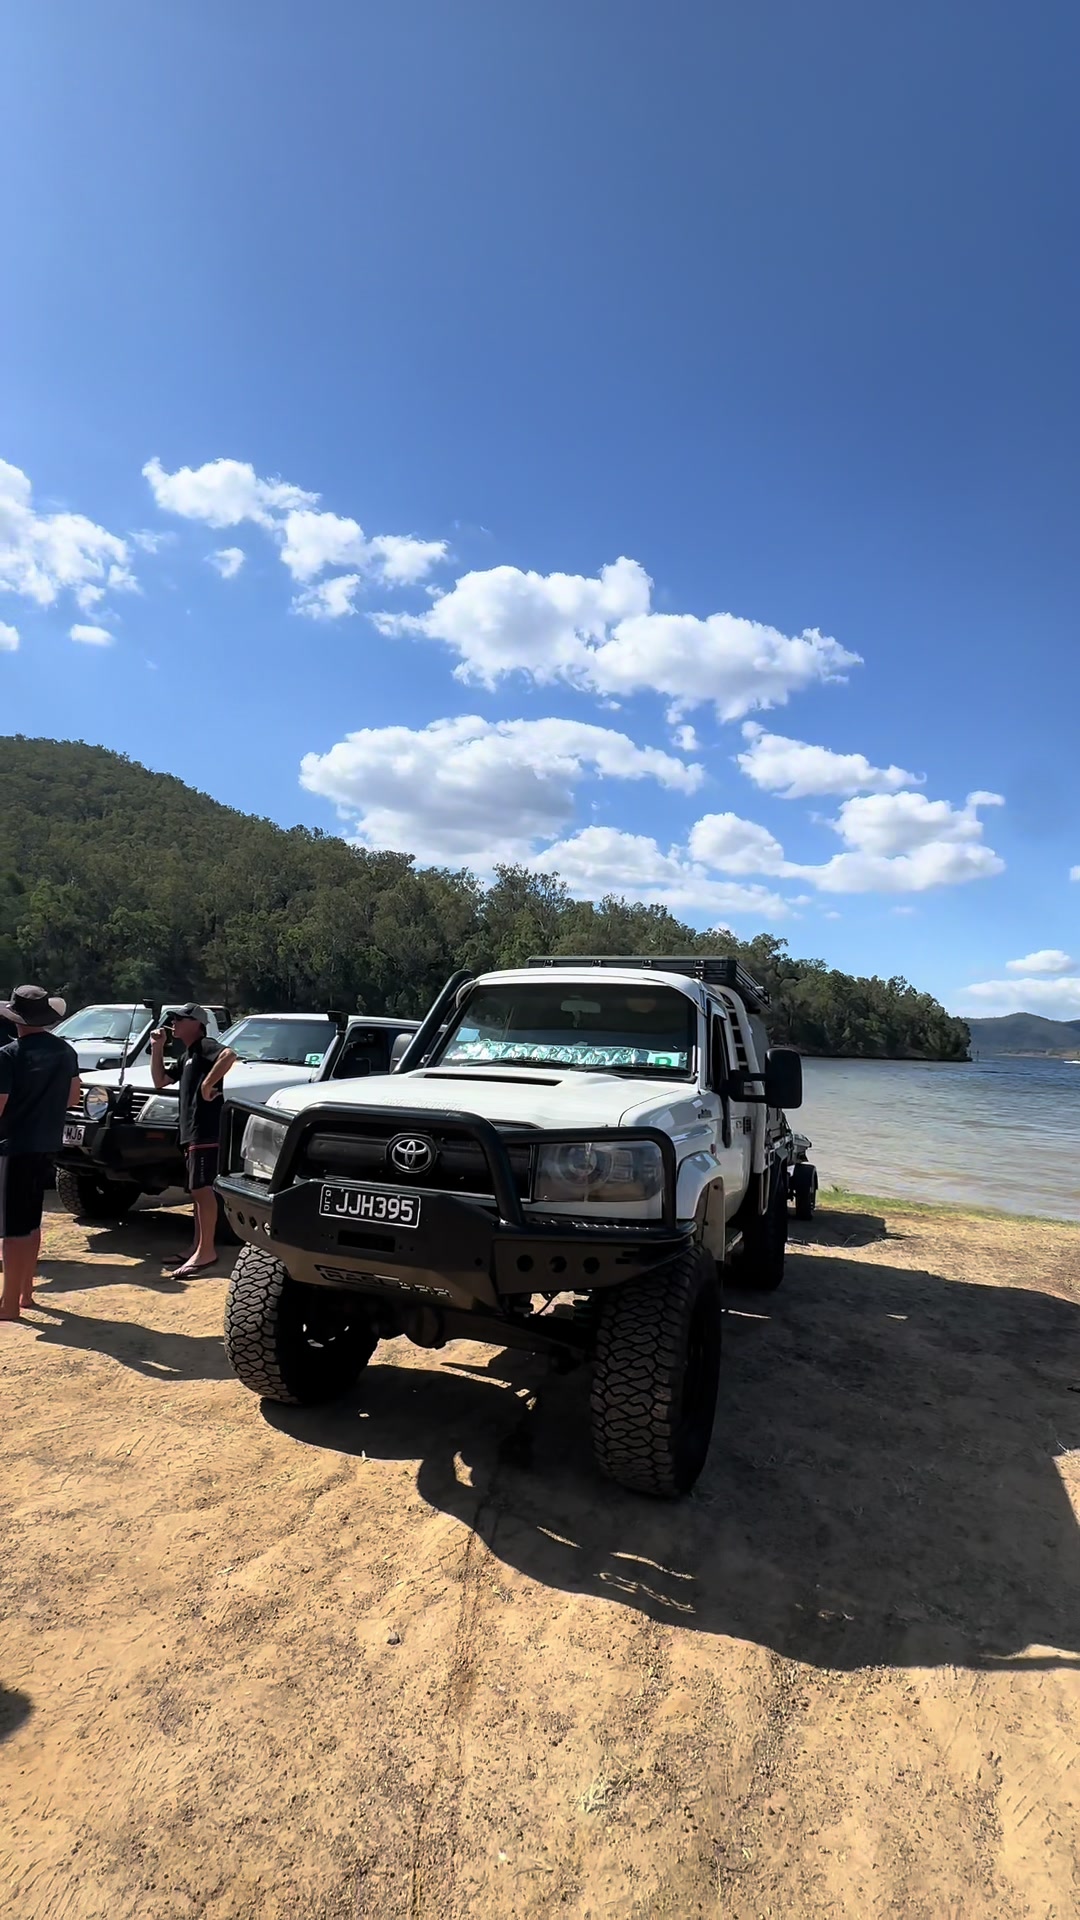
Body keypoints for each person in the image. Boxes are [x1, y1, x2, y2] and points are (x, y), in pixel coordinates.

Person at [0, 985, 81, 1321]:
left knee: (12, 1229)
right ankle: (26, 1292)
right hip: (46, 1143)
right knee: (31, 1221)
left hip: (13, 1146)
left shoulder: (9, 1054)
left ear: (15, 1018)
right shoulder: (65, 1051)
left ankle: (8, 1304)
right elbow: (73, 1098)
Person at [150, 1004, 237, 1278]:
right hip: (190, 1131)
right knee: (197, 1192)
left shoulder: (205, 1045)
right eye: (173, 1019)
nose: (174, 1023)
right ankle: (196, 1247)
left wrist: (207, 1085)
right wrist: (157, 1048)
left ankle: (206, 1251)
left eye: (180, 1019)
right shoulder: (187, 1055)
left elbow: (229, 1054)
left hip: (205, 1129)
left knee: (202, 1190)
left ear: (197, 1024)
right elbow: (160, 1081)